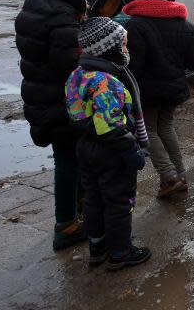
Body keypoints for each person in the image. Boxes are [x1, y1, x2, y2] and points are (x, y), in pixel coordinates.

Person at [14, 0, 89, 251]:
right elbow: (67, 62)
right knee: (68, 160)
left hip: (42, 95)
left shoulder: (34, 8)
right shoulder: (60, 15)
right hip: (60, 100)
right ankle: (66, 224)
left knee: (71, 157)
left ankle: (78, 209)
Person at [66, 17, 151, 271]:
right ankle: (120, 253)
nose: (126, 49)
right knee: (119, 203)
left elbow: (75, 114)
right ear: (109, 47)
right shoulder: (106, 82)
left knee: (93, 199)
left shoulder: (77, 75)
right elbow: (111, 128)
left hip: (86, 148)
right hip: (111, 152)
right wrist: (133, 152)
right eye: (123, 44)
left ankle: (98, 246)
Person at [122, 0, 194, 197]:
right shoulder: (184, 24)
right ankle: (180, 175)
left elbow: (133, 66)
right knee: (165, 127)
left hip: (147, 92)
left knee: (147, 131)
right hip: (174, 89)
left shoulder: (135, 24)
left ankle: (169, 176)